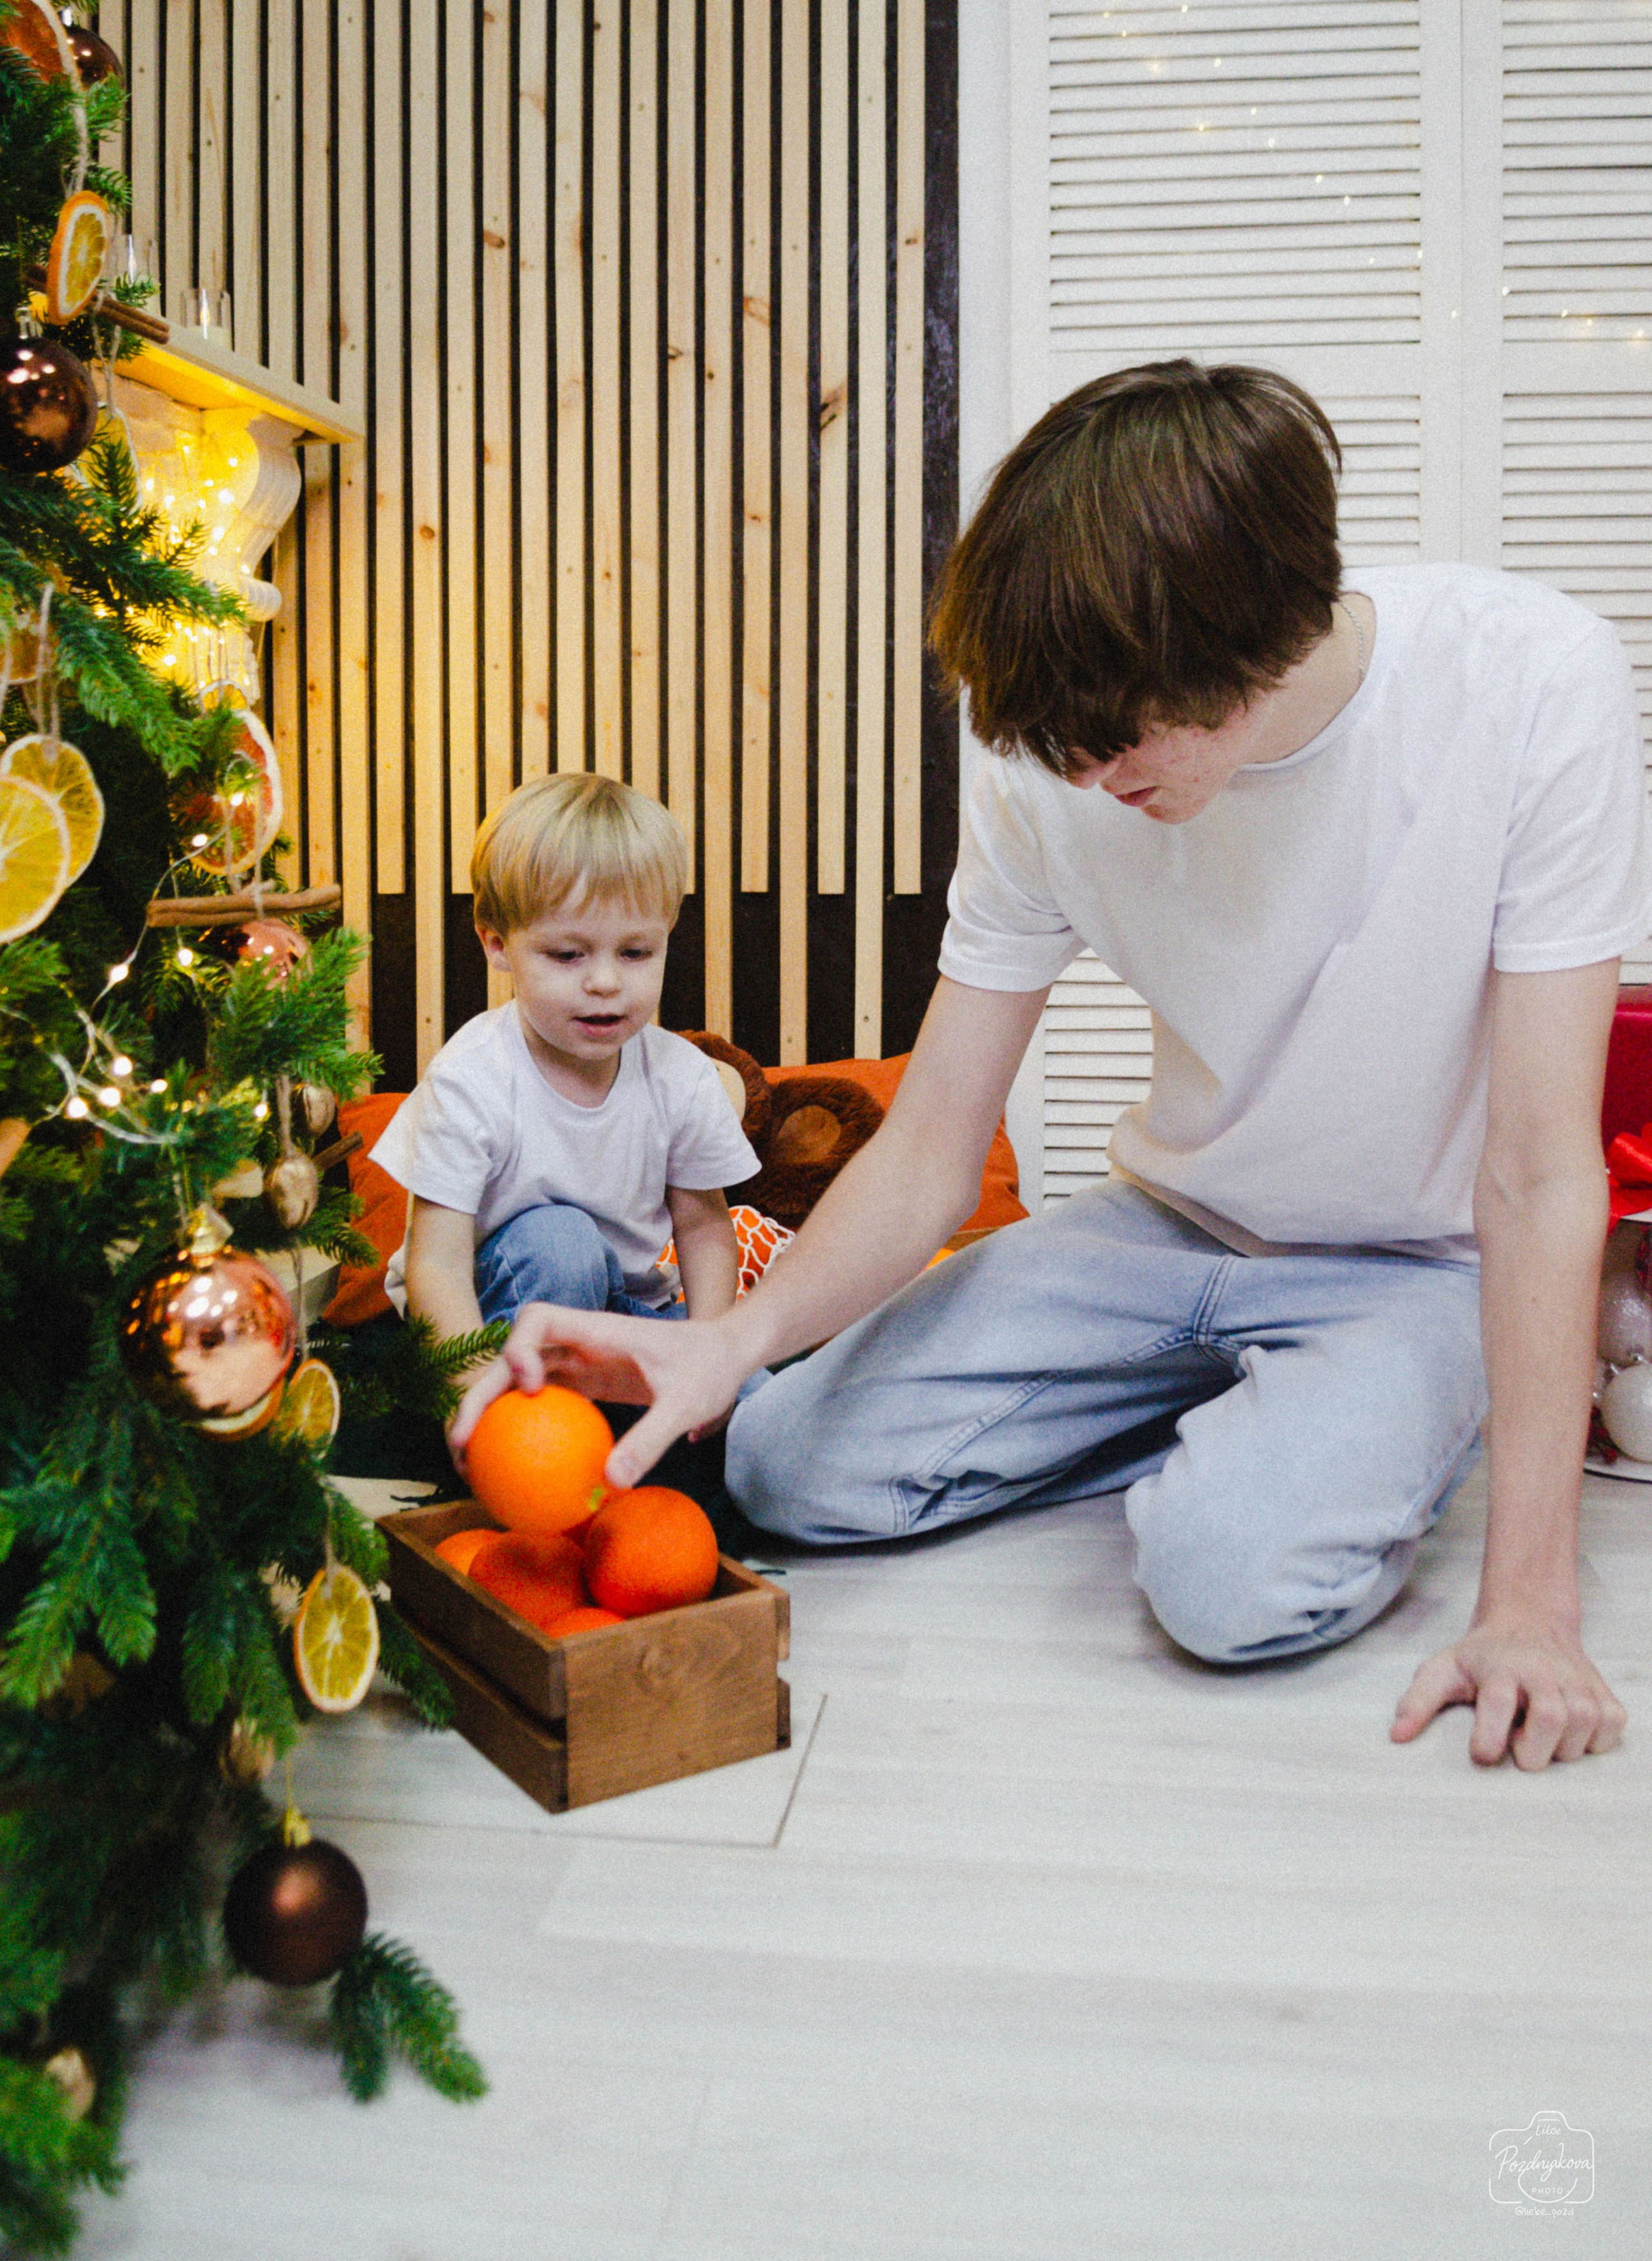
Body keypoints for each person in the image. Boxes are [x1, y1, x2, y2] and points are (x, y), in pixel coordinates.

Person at [454, 363, 1652, 1773]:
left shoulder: (1530, 682)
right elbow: (928, 1143)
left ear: (1259, 632)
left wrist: (1527, 1601)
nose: (1085, 778)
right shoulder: (1055, 762)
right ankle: (1245, 1419)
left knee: (1223, 1586)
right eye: (1056, 746)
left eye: (1119, 737)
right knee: (781, 1465)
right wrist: (725, 1345)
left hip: (1413, 1262)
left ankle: (1355, 1425)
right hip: (1160, 1227)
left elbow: (1532, 1168)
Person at [376, 773, 761, 1379]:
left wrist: (713, 1359)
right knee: (561, 1245)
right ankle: (531, 1396)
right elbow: (438, 1264)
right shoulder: (470, 1078)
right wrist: (466, 1391)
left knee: (760, 1403)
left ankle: (615, 1398)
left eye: (635, 952)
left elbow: (704, 1226)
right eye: (567, 955)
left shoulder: (681, 1077)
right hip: (474, 1322)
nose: (605, 981)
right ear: (498, 945)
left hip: (625, 1311)